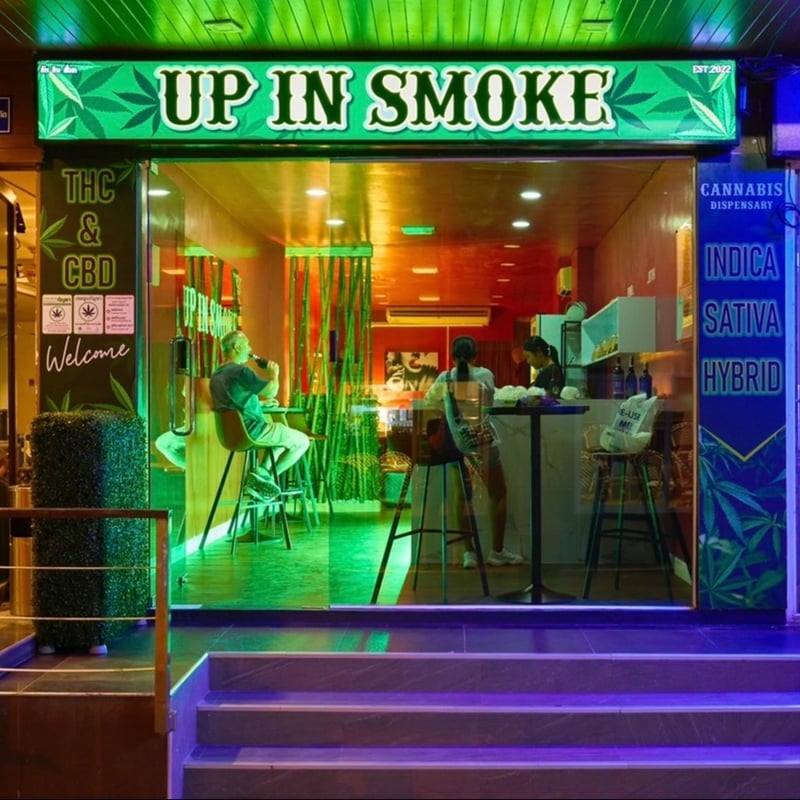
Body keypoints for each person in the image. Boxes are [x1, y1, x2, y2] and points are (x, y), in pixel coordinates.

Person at [425, 335, 524, 570]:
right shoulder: (485, 375)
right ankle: (497, 552)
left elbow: (429, 401)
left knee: (461, 497)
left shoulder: (443, 378)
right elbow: (489, 403)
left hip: (455, 444)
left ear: (452, 357)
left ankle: (469, 553)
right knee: (498, 494)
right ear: (475, 355)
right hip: (481, 443)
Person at [209, 329, 310, 502]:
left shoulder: (217, 375)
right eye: (247, 344)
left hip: (231, 437)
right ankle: (267, 478)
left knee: (283, 438)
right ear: (236, 347)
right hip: (254, 430)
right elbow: (271, 391)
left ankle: (261, 471)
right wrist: (274, 374)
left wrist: (259, 404)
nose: (250, 349)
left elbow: (233, 404)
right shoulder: (241, 372)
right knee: (302, 441)